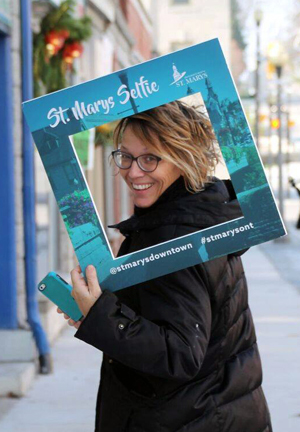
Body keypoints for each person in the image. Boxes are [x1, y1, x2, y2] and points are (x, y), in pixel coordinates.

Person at [58, 101, 272, 432]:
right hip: (212, 410)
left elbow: (180, 353)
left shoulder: (171, 236)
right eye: (125, 156)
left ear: (182, 158)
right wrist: (95, 313)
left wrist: (102, 314)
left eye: (150, 158)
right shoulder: (203, 216)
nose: (132, 171)